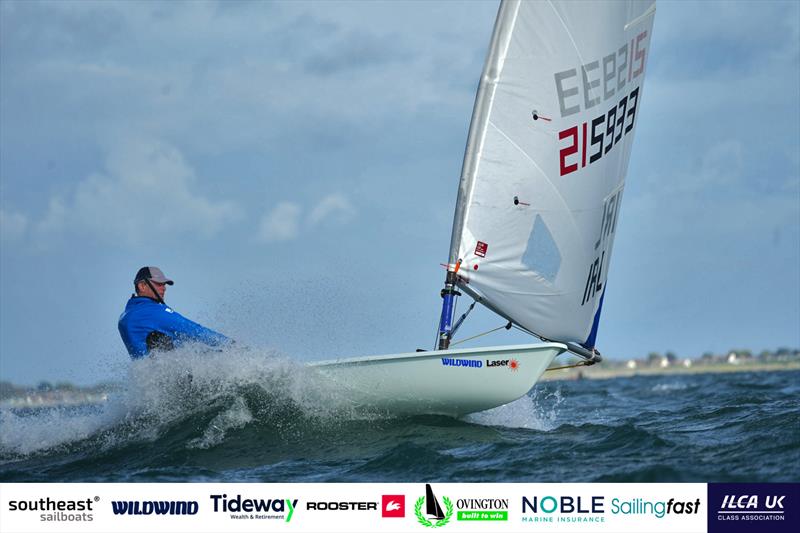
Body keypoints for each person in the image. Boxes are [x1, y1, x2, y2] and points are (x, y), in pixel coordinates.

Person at [118, 266, 232, 359]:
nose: (164, 288)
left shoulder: (127, 315)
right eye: (158, 284)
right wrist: (231, 345)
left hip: (152, 381)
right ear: (142, 286)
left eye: (164, 284)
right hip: (175, 379)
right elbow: (191, 330)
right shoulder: (150, 312)